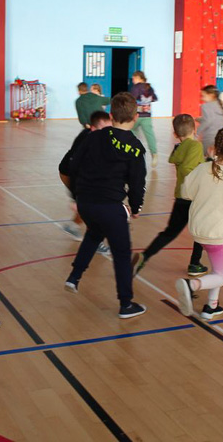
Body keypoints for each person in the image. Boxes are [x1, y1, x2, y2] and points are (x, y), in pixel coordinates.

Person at [64, 92, 147, 319]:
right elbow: (138, 183)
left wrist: (77, 195)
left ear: (111, 115)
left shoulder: (93, 137)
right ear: (135, 117)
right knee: (121, 254)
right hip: (110, 207)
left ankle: (74, 277)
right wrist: (136, 207)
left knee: (94, 234)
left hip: (86, 204)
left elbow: (74, 165)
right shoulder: (136, 147)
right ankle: (126, 304)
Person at [175, 127, 223, 320]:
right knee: (222, 276)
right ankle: (191, 285)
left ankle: (211, 306)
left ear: (214, 148)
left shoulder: (203, 168)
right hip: (217, 233)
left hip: (199, 228)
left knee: (217, 269)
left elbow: (185, 192)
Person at [131, 114, 208, 277]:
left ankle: (145, 255)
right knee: (202, 231)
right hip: (194, 198)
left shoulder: (179, 148)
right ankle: (195, 264)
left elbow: (185, 163)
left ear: (175, 134)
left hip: (180, 197)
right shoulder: (195, 146)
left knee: (169, 233)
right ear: (194, 129)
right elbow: (189, 169)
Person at [59, 110, 113, 255]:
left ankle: (73, 226)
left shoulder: (100, 137)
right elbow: (74, 170)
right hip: (70, 172)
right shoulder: (86, 143)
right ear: (93, 128)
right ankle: (97, 243)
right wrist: (75, 197)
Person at [129, 71, 159, 167]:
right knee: (149, 134)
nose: (132, 80)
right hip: (147, 115)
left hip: (136, 115)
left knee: (131, 131)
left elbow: (131, 100)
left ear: (138, 77)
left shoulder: (136, 88)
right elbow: (154, 98)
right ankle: (154, 154)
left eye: (133, 78)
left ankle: (134, 151)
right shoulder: (149, 87)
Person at [197, 85, 223, 159]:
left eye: (203, 96)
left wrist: (197, 132)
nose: (202, 98)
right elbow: (214, 119)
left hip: (210, 137)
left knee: (205, 156)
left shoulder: (205, 106)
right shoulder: (220, 105)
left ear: (211, 95)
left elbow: (208, 121)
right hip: (221, 137)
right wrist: (200, 119)